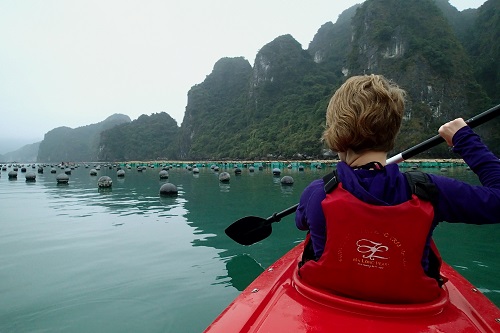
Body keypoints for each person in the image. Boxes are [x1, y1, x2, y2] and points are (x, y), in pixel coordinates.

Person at [295, 74, 500, 304]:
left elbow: (302, 222)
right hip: (413, 309)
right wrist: (464, 139)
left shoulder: (316, 193)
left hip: (329, 301)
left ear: (336, 130)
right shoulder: (429, 191)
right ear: (394, 128)